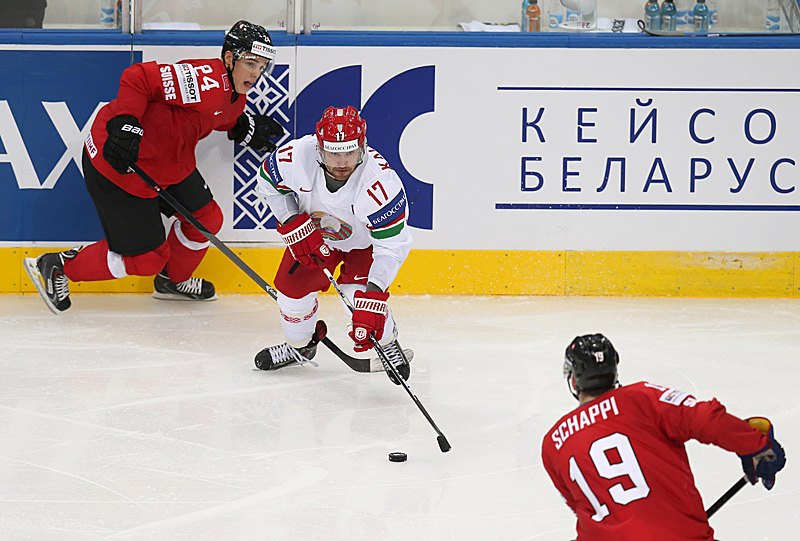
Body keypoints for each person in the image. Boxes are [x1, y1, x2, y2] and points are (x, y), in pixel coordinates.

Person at [24, 20, 284, 314]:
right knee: (148, 259)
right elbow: (138, 78)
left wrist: (243, 125)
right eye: (250, 62)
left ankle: (172, 282)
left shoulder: (234, 94)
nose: (256, 72)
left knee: (207, 220)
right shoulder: (204, 78)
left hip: (167, 164)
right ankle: (57, 265)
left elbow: (213, 114)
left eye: (262, 65)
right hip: (120, 166)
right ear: (229, 58)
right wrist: (126, 123)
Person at [541, 333, 786, 541]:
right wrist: (757, 445)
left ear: (573, 380)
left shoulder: (553, 443)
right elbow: (706, 420)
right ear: (614, 371)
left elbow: (580, 506)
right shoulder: (641, 397)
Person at [252, 105, 413, 384]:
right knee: (291, 294)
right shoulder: (296, 156)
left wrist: (374, 295)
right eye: (334, 153)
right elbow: (267, 183)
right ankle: (301, 347)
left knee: (360, 301)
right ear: (319, 148)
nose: (342, 162)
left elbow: (392, 246)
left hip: (366, 247)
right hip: (315, 237)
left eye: (350, 152)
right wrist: (291, 221)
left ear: (362, 147)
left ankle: (387, 341)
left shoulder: (381, 184)